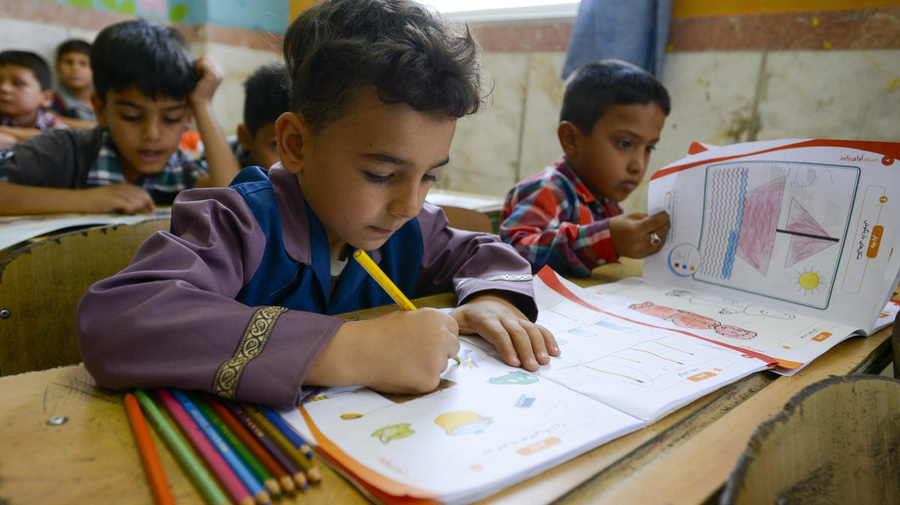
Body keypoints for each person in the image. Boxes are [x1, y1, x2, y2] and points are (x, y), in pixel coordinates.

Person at [77, 0, 559, 408]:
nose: (409, 204)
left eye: (430, 175)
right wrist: (351, 350)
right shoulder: (238, 222)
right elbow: (119, 322)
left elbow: (484, 251)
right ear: (296, 144)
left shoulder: (411, 228)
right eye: (380, 174)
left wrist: (490, 300)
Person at [0, 19, 240, 215]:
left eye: (172, 118)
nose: (152, 135)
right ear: (101, 111)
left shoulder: (178, 168)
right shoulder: (61, 150)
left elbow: (234, 202)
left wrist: (203, 104)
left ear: (188, 117)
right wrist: (84, 201)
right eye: (132, 116)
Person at [500, 58, 672, 277]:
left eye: (649, 148)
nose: (638, 165)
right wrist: (606, 240)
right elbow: (515, 253)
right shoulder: (547, 190)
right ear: (571, 139)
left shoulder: (605, 202)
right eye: (625, 144)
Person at [0, 50, 68, 144]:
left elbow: (59, 141)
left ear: (45, 98)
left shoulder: (50, 122)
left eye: (18, 83)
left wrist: (10, 137)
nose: (3, 88)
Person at [234, 62, 288, 170]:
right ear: (246, 138)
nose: (294, 163)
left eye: (300, 144)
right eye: (276, 145)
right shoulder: (214, 160)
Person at [52, 38, 97, 124]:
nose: (75, 68)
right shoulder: (53, 102)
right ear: (58, 68)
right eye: (68, 62)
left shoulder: (105, 100)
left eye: (83, 63)